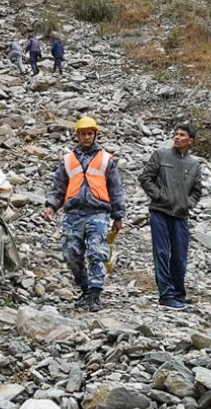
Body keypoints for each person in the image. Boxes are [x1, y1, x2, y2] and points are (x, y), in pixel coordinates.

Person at [44, 117, 126, 312]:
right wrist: (51, 207)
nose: (87, 137)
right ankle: (85, 289)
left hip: (98, 213)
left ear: (95, 135)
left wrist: (118, 216)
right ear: (77, 136)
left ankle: (95, 295)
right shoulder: (67, 160)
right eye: (83, 134)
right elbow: (59, 187)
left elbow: (116, 189)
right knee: (71, 254)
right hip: (73, 214)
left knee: (97, 252)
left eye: (90, 133)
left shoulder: (107, 160)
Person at [138, 125, 203, 311]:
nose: (177, 137)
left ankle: (179, 295)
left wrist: (188, 203)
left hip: (181, 216)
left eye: (182, 135)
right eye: (176, 134)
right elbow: (145, 178)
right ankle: (166, 295)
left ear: (190, 141)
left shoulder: (194, 165)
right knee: (162, 253)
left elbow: (197, 191)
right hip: (160, 211)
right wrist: (158, 195)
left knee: (180, 257)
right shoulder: (161, 155)